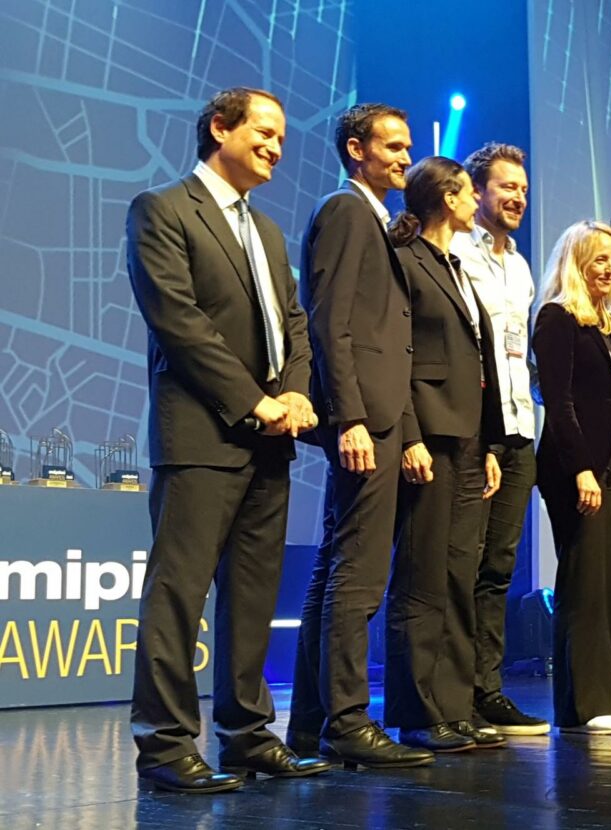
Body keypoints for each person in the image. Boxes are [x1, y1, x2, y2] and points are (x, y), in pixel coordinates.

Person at [126, 87, 329, 792]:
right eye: (264, 132)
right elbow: (179, 323)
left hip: (272, 441)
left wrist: (297, 392)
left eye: (281, 138)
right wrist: (255, 402)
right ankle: (164, 746)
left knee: (251, 597)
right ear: (220, 128)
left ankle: (246, 736)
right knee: (177, 595)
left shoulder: (269, 232)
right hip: (202, 436)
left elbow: (294, 325)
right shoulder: (162, 210)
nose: (277, 146)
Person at [288, 104, 434, 769]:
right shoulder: (346, 213)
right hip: (359, 421)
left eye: (407, 147)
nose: (406, 157)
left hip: (377, 419)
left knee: (334, 571)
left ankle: (315, 723)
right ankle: (347, 721)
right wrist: (349, 417)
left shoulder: (379, 220)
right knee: (357, 574)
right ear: (356, 149)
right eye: (393, 146)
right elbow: (330, 321)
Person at [384, 156, 505, 752]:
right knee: (422, 578)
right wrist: (407, 434)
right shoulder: (404, 262)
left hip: (466, 441)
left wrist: (486, 445)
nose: (474, 202)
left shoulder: (455, 265)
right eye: (466, 192)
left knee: (460, 575)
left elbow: (476, 364)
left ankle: (456, 707)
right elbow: (397, 357)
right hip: (427, 438)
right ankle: (416, 711)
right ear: (446, 198)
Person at [532, 221, 611, 733]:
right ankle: (582, 704)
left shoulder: (605, 327)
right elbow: (559, 404)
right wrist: (582, 466)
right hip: (577, 470)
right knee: (584, 584)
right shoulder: (555, 319)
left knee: (610, 587)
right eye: (597, 259)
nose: (608, 269)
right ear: (575, 262)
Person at [449, 143, 548, 735]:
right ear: (477, 191)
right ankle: (452, 695)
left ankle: (487, 691)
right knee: (458, 567)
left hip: (519, 431)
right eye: (506, 187)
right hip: (473, 432)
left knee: (497, 570)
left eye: (523, 190)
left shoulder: (522, 266)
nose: (516, 198)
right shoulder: (456, 251)